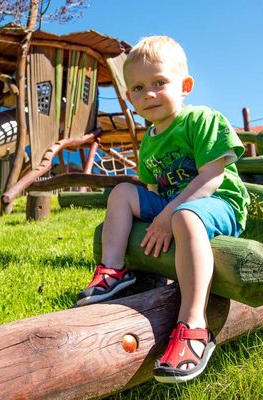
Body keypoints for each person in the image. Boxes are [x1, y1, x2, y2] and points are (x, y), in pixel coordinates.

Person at [76, 35, 250, 383]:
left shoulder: (201, 119)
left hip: (218, 204)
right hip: (177, 207)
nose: (149, 94)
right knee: (124, 191)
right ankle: (113, 271)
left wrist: (169, 214)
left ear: (184, 86)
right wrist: (160, 214)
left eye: (159, 83)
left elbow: (213, 177)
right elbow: (155, 187)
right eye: (138, 88)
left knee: (186, 215)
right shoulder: (150, 142)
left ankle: (194, 325)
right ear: (129, 97)